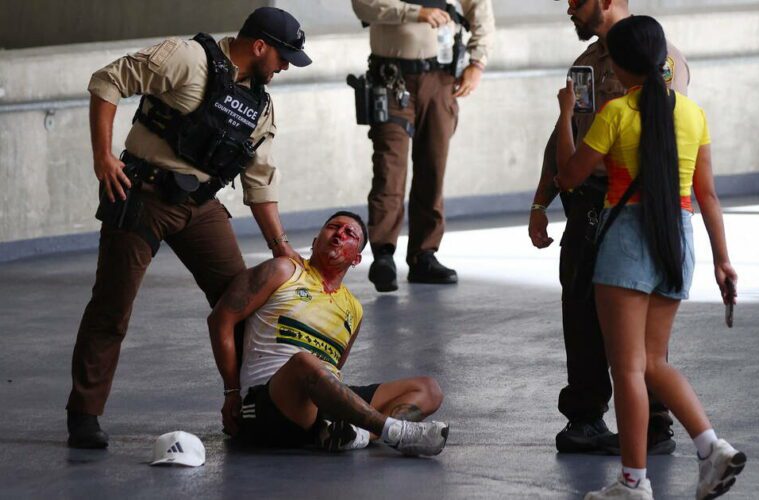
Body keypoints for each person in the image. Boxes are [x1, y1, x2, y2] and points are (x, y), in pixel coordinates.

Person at [66, 7, 311, 449]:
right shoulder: (186, 57)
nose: (284, 68)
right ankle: (84, 414)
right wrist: (102, 156)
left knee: (241, 303)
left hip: (200, 206)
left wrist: (282, 248)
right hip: (140, 194)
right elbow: (107, 80)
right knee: (112, 309)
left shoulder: (260, 105)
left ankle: (250, 408)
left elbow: (259, 180)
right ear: (259, 46)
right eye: (282, 58)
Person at [554, 15, 746, 500]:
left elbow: (570, 177)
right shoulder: (693, 114)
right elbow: (708, 197)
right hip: (678, 240)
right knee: (654, 361)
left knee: (629, 369)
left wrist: (564, 114)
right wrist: (724, 261)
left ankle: (634, 483)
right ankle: (711, 446)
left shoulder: (616, 112)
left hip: (626, 243)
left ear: (617, 67)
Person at [529, 0, 689, 455]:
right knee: (579, 309)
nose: (569, 10)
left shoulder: (660, 58)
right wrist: (542, 200)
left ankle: (654, 424)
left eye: (576, 1)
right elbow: (565, 136)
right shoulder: (585, 64)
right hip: (586, 201)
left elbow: (665, 128)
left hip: (633, 202)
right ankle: (585, 416)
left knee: (635, 313)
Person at [208, 211, 449, 456]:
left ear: (356, 259)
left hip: (319, 406)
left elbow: (335, 366)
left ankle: (359, 434)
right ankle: (396, 432)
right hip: (270, 402)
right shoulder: (283, 270)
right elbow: (220, 319)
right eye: (333, 227)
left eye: (349, 234)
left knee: (429, 389)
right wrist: (232, 391)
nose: (338, 235)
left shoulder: (354, 309)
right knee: (305, 361)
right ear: (315, 241)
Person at [351, 0, 495, 291]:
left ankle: (424, 256)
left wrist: (477, 62)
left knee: (433, 165)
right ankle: (384, 254)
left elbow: (480, 9)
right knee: (389, 167)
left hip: (440, 78)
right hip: (390, 78)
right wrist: (416, 13)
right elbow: (363, 5)